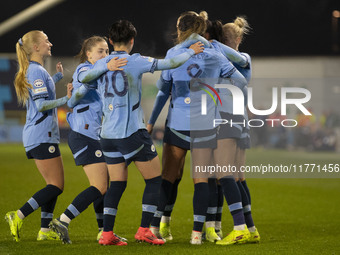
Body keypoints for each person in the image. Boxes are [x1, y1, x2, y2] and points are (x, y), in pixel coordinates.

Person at [61, 20, 203, 246]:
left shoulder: (99, 64)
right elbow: (171, 63)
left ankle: (107, 234)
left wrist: (94, 76)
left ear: (110, 41)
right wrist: (190, 51)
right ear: (132, 41)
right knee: (155, 180)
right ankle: (144, 230)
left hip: (106, 136)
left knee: (117, 183)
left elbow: (80, 89)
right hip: (131, 133)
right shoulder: (134, 60)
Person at [147, 11, 248, 245]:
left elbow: (164, 88)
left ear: (179, 29)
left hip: (178, 125)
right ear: (202, 29)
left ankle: (159, 225)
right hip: (205, 126)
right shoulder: (214, 52)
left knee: (169, 178)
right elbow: (241, 82)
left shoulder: (174, 53)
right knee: (204, 180)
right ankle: (199, 234)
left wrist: (151, 121)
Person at [49, 36, 127, 244]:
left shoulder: (102, 74)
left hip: (92, 136)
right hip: (84, 135)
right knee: (100, 186)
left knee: (102, 185)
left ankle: (103, 231)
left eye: (106, 51)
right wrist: (106, 67)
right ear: (89, 54)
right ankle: (63, 221)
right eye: (100, 51)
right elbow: (85, 80)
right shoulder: (84, 70)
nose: (105, 55)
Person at [5, 30, 72, 242]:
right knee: (56, 186)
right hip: (42, 134)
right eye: (46, 41)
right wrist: (66, 99)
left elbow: (41, 94)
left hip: (44, 134)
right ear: (35, 47)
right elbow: (42, 104)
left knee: (54, 185)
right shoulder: (35, 72)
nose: (50, 44)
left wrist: (57, 78)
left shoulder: (37, 70)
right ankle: (18, 215)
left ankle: (45, 230)